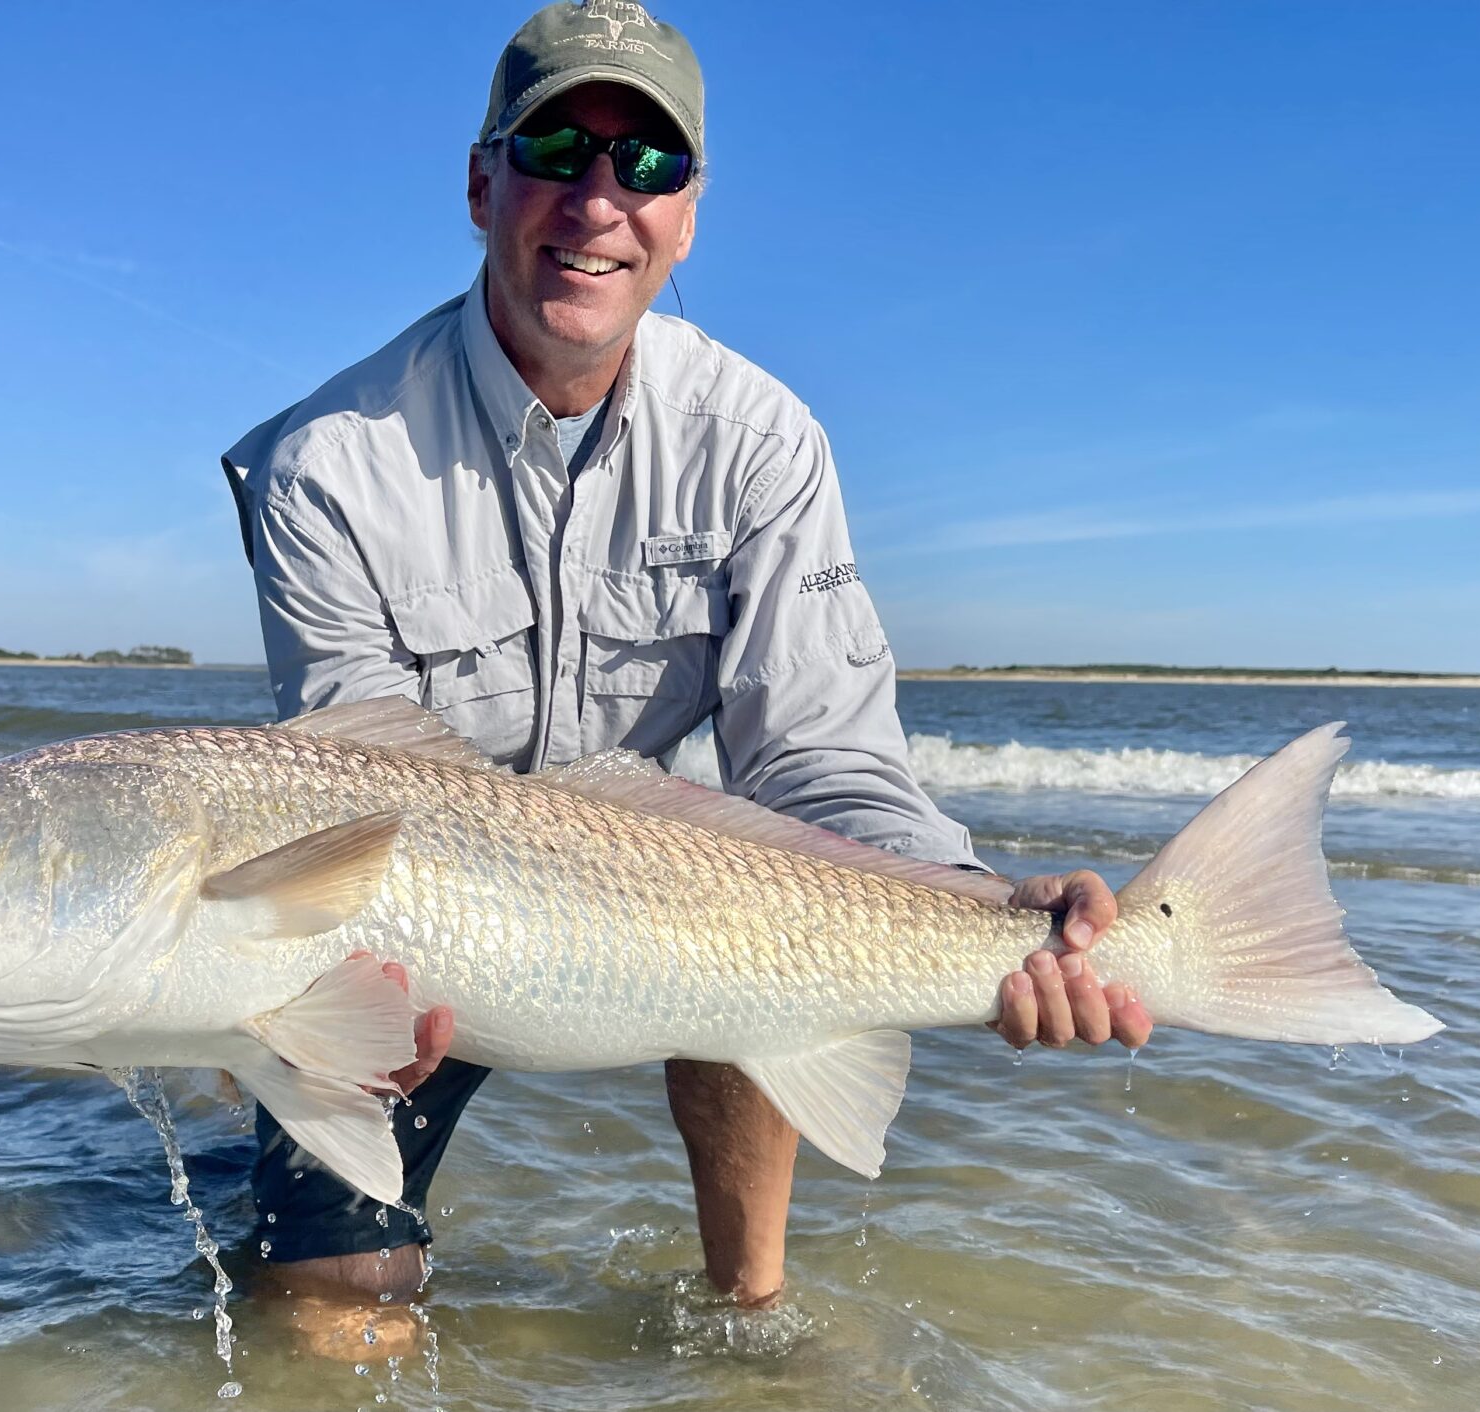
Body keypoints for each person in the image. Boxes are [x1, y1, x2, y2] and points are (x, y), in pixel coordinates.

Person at [222, 0, 1152, 1319]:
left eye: (648, 166)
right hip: (419, 910)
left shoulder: (764, 439)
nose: (601, 201)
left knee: (756, 887)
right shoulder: (325, 463)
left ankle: (747, 1327)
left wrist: (980, 899)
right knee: (325, 1304)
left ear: (689, 215)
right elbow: (343, 797)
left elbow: (818, 750)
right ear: (484, 180)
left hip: (657, 873)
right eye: (557, 152)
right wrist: (281, 1008)